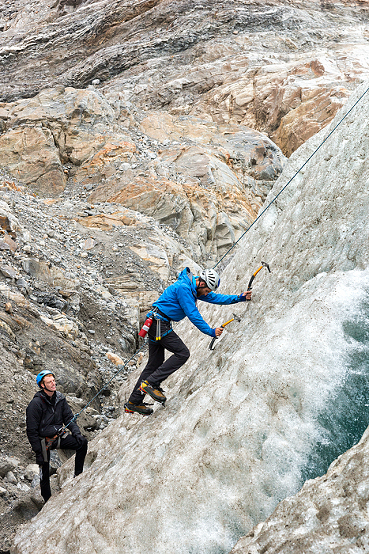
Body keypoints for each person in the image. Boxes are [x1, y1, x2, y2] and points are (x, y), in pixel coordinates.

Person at [124, 267, 252, 415]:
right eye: (207, 291)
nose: (207, 294)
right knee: (182, 353)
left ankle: (134, 402)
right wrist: (210, 331)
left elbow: (216, 298)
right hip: (159, 323)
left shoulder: (193, 288)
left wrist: (239, 297)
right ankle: (150, 384)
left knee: (155, 363)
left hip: (155, 323)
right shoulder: (184, 288)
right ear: (202, 284)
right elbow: (193, 314)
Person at [26, 370, 88, 503]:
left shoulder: (60, 398)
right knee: (44, 470)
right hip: (43, 442)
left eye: (53, 380)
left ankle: (78, 476)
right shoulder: (35, 404)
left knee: (82, 442)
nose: (53, 383)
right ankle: (47, 499)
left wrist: (76, 433)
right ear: (42, 385)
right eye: (49, 382)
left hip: (58, 436)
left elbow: (69, 418)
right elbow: (31, 430)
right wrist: (38, 451)